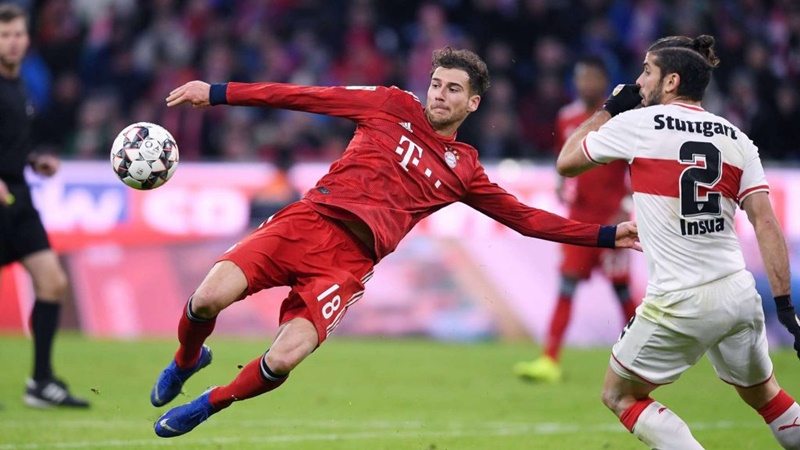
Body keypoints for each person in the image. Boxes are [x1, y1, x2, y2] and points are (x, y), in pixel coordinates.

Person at [150, 46, 641, 438]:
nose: (439, 95)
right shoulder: (390, 104)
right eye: (436, 84)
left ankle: (212, 402)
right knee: (207, 298)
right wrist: (217, 92)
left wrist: (606, 235)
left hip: (347, 264)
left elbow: (526, 219)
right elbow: (304, 96)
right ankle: (187, 359)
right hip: (305, 223)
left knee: (282, 359)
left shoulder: (464, 169)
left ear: (472, 104)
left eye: (453, 89)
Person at [556, 34, 800, 449]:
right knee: (768, 397)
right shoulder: (737, 139)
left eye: (646, 72)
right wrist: (785, 308)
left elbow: (567, 162)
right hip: (737, 295)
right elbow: (765, 222)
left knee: (619, 395)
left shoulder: (637, 124)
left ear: (671, 81)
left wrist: (610, 109)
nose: (638, 81)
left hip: (679, 299)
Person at [514, 55, 636, 383]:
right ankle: (549, 360)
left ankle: (643, 359)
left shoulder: (620, 118)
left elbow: (636, 166)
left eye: (592, 78)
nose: (587, 84)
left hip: (613, 219)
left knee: (622, 290)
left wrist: (626, 203)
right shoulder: (567, 117)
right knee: (566, 284)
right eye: (582, 78)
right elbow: (565, 154)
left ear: (604, 81)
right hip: (579, 219)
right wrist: (560, 181)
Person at [0, 4, 89, 409]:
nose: (12, 42)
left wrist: (35, 160)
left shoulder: (20, 84)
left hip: (19, 197)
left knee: (52, 281)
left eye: (18, 34)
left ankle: (41, 382)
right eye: (5, 36)